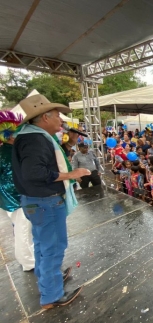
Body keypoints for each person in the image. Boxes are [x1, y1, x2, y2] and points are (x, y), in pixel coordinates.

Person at [12, 94, 89, 309]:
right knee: (53, 248)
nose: (61, 120)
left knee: (42, 245)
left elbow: (41, 165)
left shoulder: (29, 136)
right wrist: (70, 175)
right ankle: (52, 295)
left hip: (36, 202)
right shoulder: (35, 140)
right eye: (57, 116)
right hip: (45, 202)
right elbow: (34, 172)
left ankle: (48, 280)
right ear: (45, 117)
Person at [0, 110, 35, 271]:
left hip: (11, 197)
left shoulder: (6, 152)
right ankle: (28, 262)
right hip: (16, 197)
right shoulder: (8, 153)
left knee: (23, 229)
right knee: (22, 229)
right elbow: (11, 177)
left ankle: (28, 257)